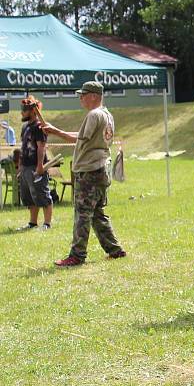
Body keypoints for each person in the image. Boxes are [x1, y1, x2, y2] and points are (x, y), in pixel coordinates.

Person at [41, 81, 126, 266]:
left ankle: (77, 255)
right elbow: (82, 135)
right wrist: (56, 130)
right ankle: (115, 250)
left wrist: (55, 131)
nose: (80, 97)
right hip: (101, 168)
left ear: (94, 96)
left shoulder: (94, 115)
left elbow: (79, 138)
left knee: (82, 214)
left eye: (83, 94)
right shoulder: (106, 114)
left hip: (90, 170)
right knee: (97, 213)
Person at [18, 96, 53, 230]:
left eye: (24, 109)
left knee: (42, 195)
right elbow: (23, 147)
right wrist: (20, 166)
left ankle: (47, 223)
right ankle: (32, 223)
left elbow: (41, 146)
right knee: (29, 196)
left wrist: (40, 166)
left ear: (33, 110)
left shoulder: (39, 127)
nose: (22, 112)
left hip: (36, 166)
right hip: (26, 166)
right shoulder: (25, 127)